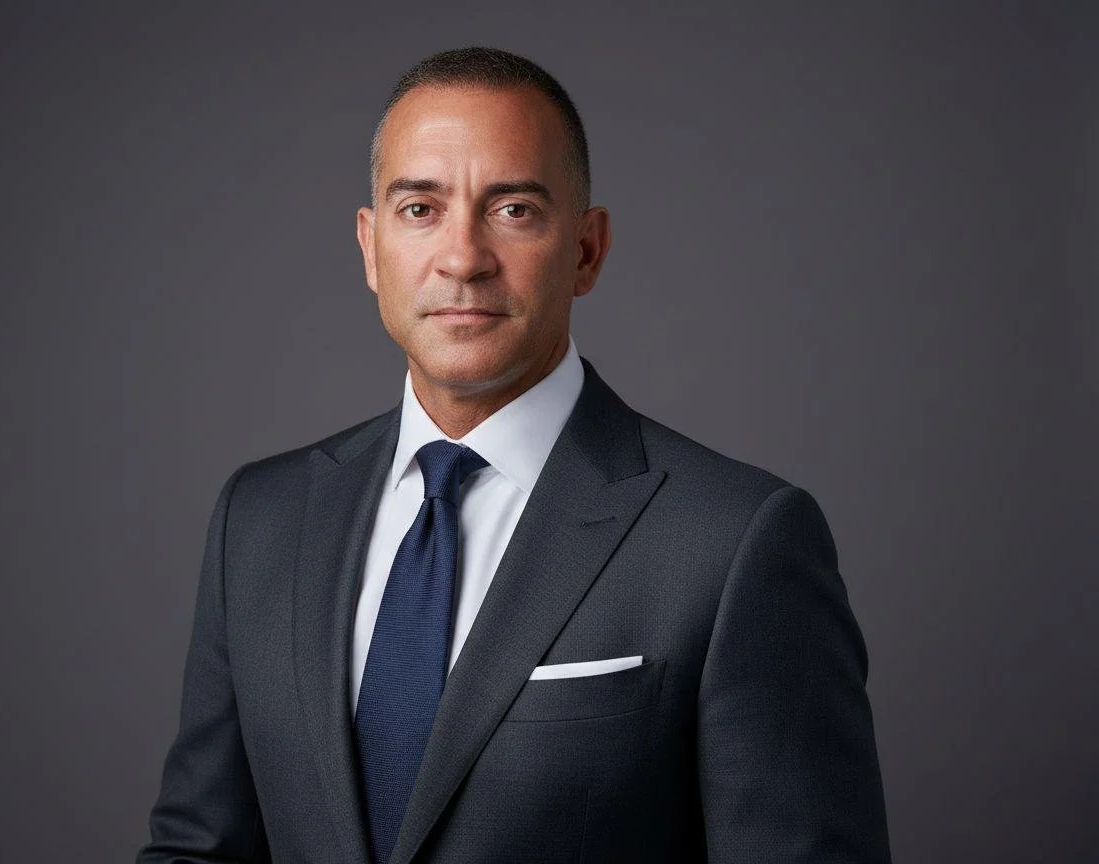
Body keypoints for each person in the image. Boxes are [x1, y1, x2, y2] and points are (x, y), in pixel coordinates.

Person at [139, 46, 891, 863]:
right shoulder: (261, 519)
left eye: (514, 209)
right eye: (420, 208)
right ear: (370, 248)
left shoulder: (736, 540)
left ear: (587, 249)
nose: (462, 258)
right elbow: (197, 851)